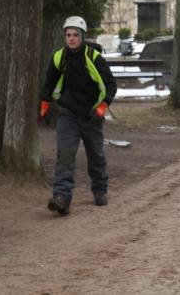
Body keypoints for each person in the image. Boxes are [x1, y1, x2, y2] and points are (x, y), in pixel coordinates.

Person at [40, 15, 117, 216]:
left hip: (92, 114)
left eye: (75, 35)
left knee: (95, 154)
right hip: (68, 114)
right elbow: (49, 82)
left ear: (83, 36)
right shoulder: (59, 57)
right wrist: (45, 102)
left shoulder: (94, 58)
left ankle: (100, 190)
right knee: (65, 154)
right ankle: (61, 197)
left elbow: (110, 85)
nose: (71, 38)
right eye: (68, 35)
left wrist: (103, 105)